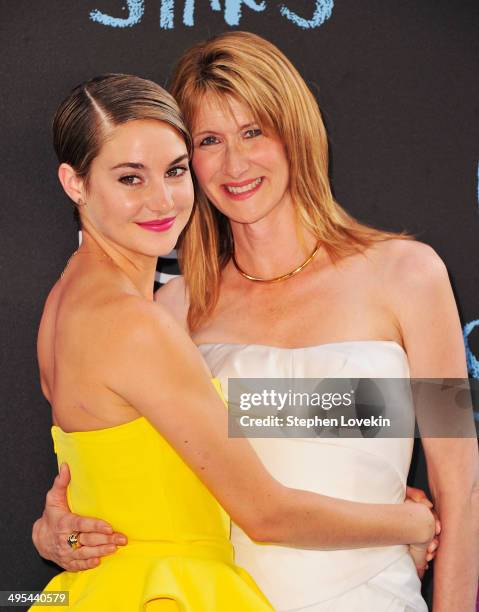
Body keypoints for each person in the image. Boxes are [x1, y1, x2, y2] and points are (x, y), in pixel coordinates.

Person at [33, 72, 437, 611]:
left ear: (296, 133)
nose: (163, 199)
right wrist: (411, 521)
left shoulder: (408, 271)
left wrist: (59, 531)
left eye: (253, 132)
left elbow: (456, 469)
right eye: (209, 142)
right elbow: (263, 509)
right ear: (75, 183)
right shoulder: (165, 311)